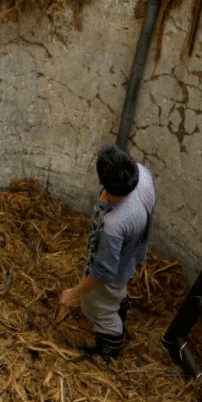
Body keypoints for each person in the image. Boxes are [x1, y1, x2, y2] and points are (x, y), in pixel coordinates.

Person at [60, 143, 157, 358]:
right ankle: (118, 306)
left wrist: (75, 292)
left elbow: (103, 272)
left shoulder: (113, 225)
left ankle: (109, 348)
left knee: (96, 304)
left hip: (114, 266)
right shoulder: (142, 174)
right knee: (114, 292)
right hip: (131, 251)